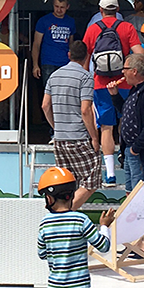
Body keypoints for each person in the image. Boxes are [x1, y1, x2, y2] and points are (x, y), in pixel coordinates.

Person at [107, 53, 144, 257]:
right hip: (131, 151)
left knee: (141, 198)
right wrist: (115, 95)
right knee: (131, 196)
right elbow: (127, 113)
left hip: (140, 152)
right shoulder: (136, 90)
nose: (122, 73)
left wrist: (136, 148)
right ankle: (136, 242)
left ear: (134, 71)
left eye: (124, 69)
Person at [82, 0, 143, 185]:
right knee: (126, 122)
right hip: (124, 82)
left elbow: (85, 57)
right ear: (117, 10)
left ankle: (110, 174)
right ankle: (128, 163)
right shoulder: (127, 27)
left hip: (100, 84)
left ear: (100, 10)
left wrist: (86, 79)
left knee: (106, 127)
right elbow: (139, 54)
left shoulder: (93, 29)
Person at [37, 167, 114, 288]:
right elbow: (104, 246)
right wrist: (104, 226)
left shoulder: (44, 223)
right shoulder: (80, 220)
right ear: (72, 194)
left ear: (49, 198)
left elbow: (42, 254)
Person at [41, 41, 100, 210]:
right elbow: (85, 110)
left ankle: (62, 213)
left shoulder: (54, 76)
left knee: (67, 182)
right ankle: (65, 213)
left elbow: (45, 105)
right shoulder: (85, 77)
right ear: (87, 56)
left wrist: (56, 126)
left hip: (60, 138)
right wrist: (94, 137)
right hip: (78, 137)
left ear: (69, 55)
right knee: (92, 180)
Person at [32, 0, 76, 87]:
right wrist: (35, 65)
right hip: (48, 63)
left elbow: (71, 44)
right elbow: (36, 44)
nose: (59, 10)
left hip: (66, 62)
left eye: (62, 7)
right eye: (56, 6)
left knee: (65, 91)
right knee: (49, 91)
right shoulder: (44, 21)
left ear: (67, 7)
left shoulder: (71, 22)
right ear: (53, 5)